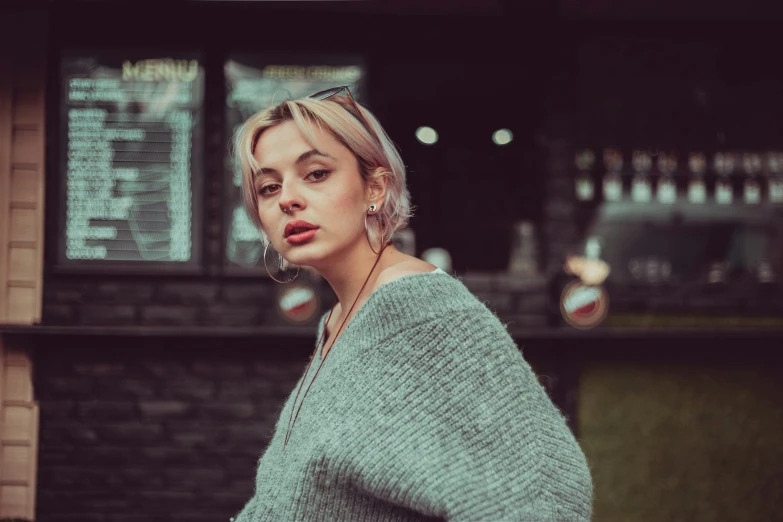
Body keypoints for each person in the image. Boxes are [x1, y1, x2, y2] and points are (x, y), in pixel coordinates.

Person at [230, 86, 594, 522]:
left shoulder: (419, 307)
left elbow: (546, 494)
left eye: (316, 174)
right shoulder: (342, 317)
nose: (287, 198)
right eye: (268, 187)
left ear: (376, 189)